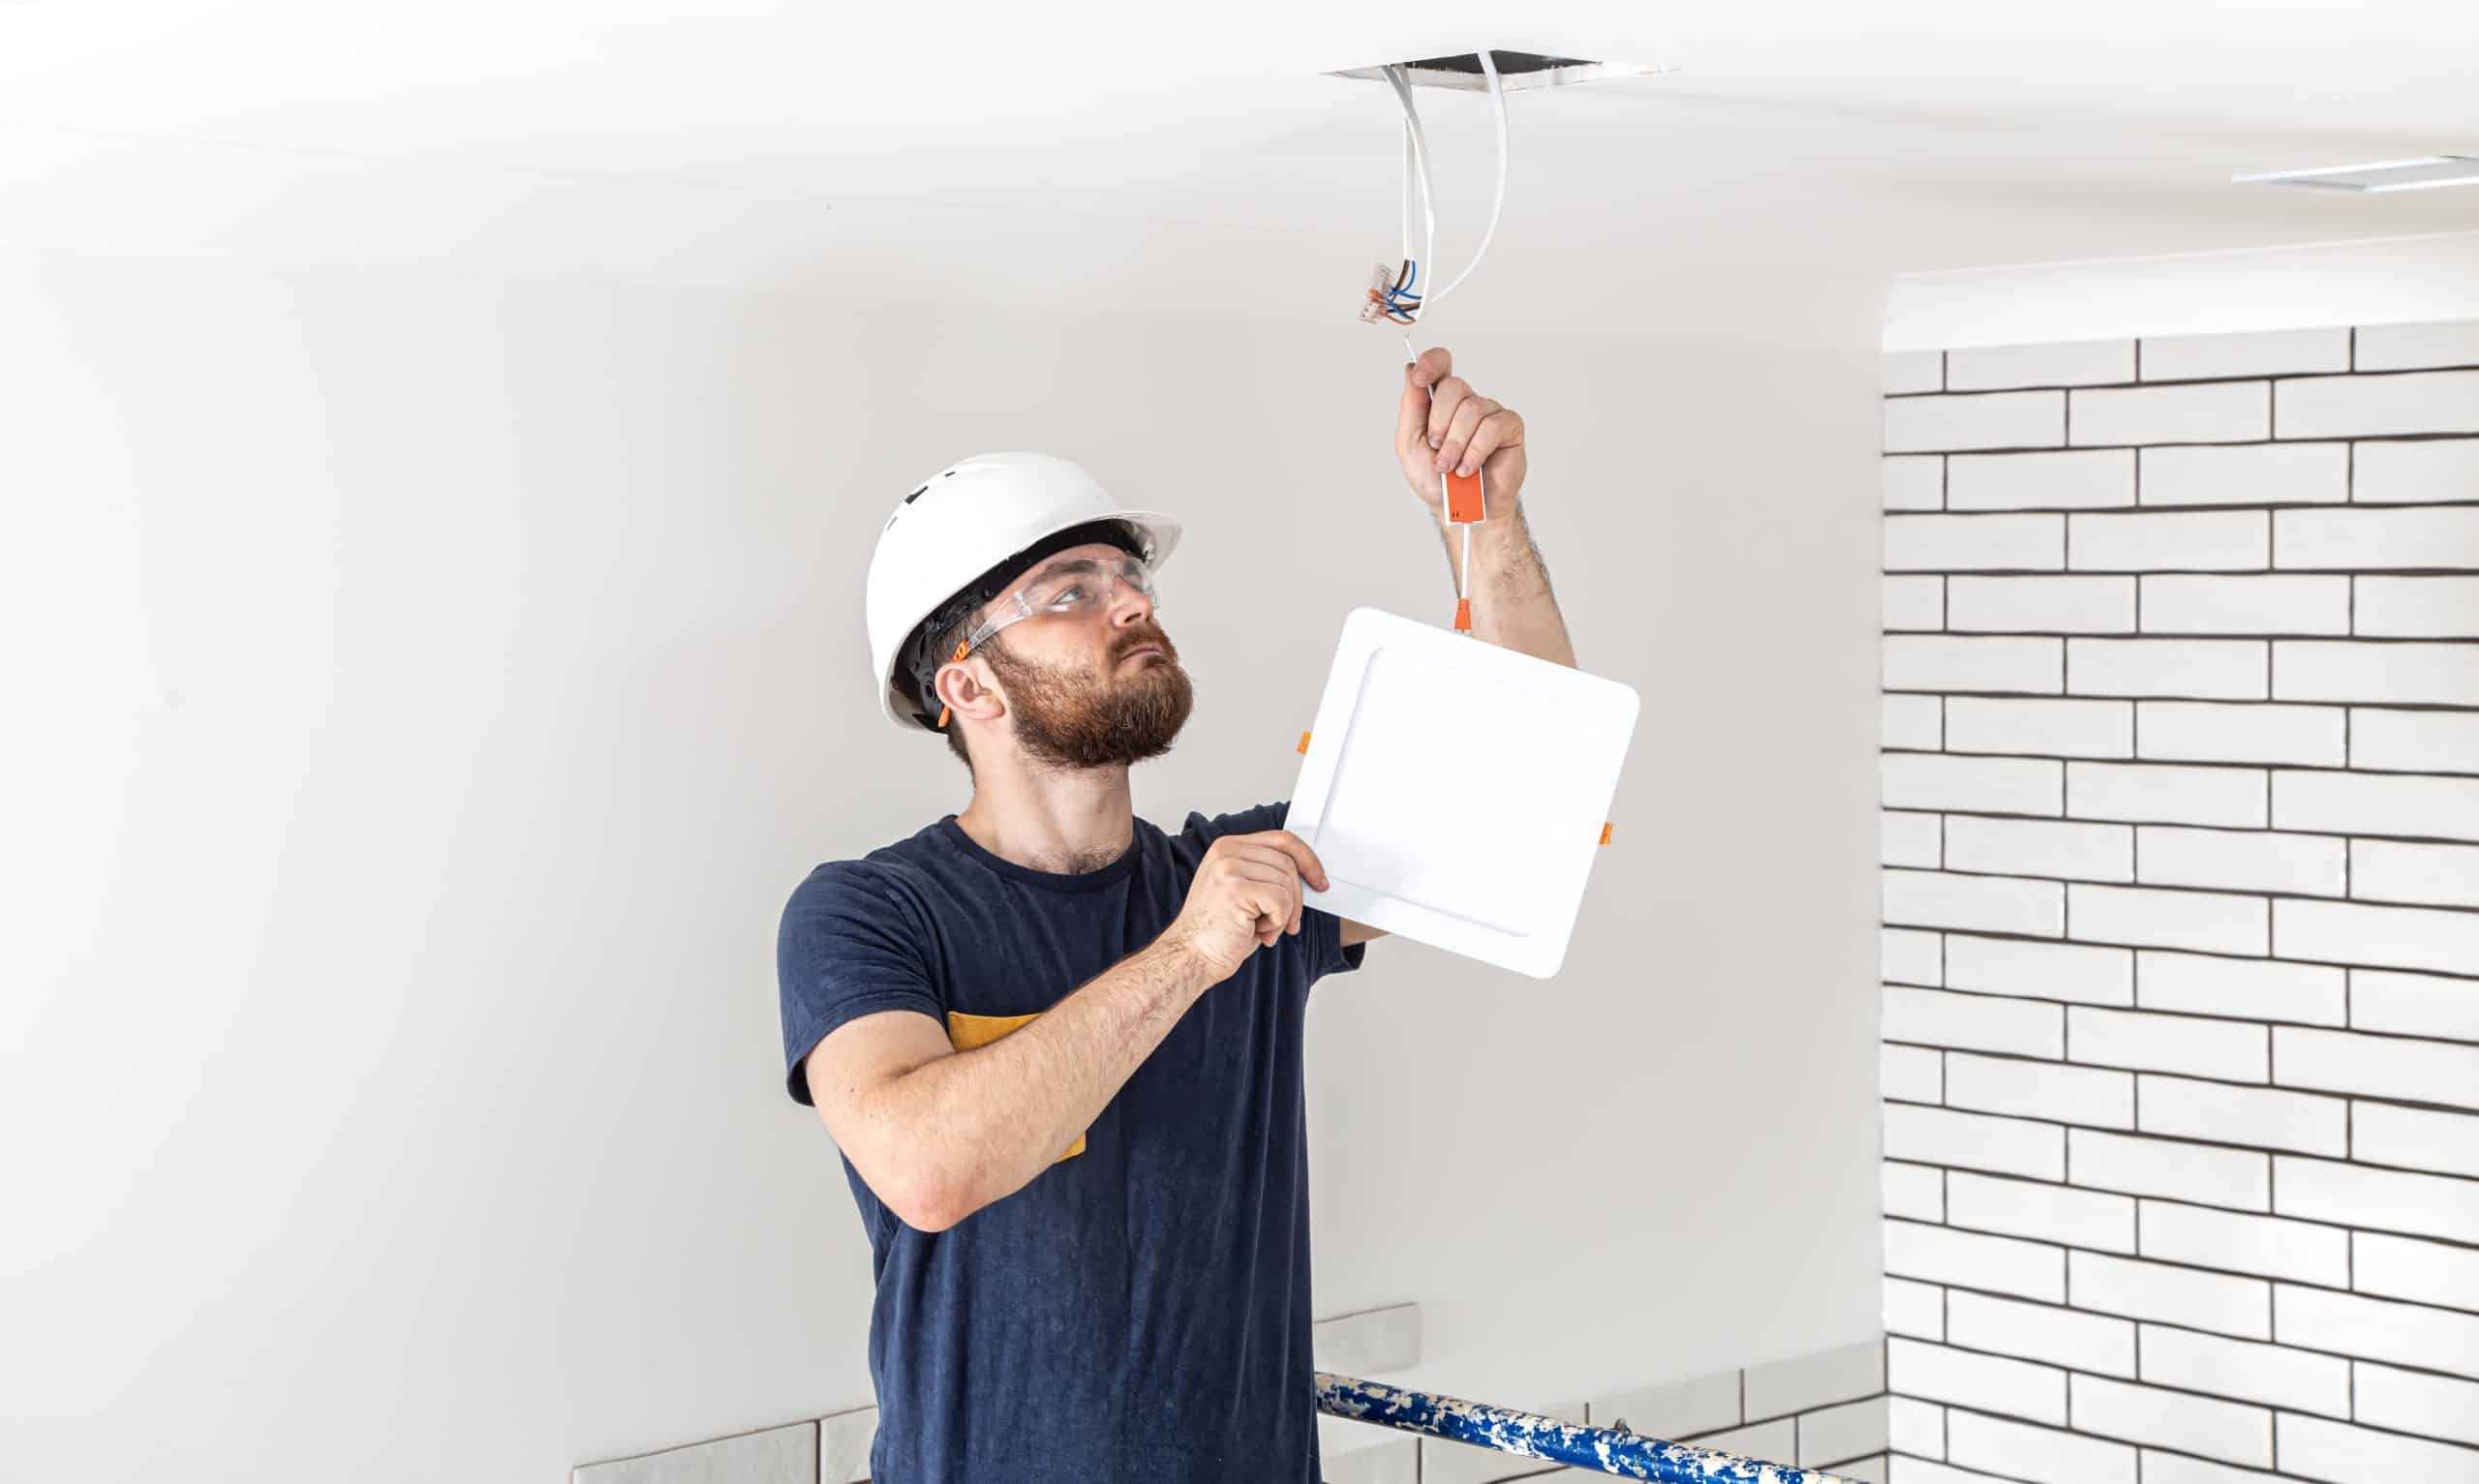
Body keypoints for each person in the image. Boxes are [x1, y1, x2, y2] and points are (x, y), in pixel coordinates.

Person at [776, 347, 1578, 1482]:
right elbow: (927, 1168)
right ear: (966, 685)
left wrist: (1486, 518)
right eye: (1072, 592)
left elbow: (1527, 782)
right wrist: (1192, 953)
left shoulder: (1242, 874)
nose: (1131, 604)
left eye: (1125, 578)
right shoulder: (872, 913)